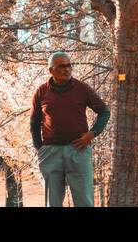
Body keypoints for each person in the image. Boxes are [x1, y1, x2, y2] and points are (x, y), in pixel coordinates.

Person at [30, 51, 110, 207]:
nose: (67, 69)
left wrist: (92, 134)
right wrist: (40, 148)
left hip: (78, 150)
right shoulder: (41, 92)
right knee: (52, 203)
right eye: (61, 66)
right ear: (51, 70)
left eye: (69, 65)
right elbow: (34, 122)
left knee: (84, 202)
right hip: (50, 152)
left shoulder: (82, 89)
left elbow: (104, 112)